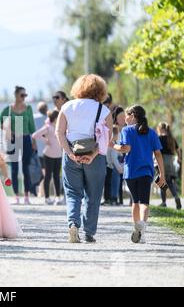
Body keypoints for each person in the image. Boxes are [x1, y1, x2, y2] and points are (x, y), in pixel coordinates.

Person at [56, 74, 113, 243]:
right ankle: (89, 232)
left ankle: (73, 224)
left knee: (73, 193)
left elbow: (59, 132)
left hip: (71, 153)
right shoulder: (104, 110)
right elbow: (107, 138)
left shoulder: (67, 106)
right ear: (100, 90)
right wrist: (93, 154)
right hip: (95, 156)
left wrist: (69, 153)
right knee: (93, 195)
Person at [113, 105, 166, 243]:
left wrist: (112, 145)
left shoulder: (126, 130)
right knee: (144, 201)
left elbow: (126, 148)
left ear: (133, 116)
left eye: (127, 115)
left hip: (131, 171)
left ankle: (137, 227)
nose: (125, 118)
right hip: (146, 172)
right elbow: (158, 154)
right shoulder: (152, 133)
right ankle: (142, 227)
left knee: (135, 201)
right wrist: (162, 174)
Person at [0, 86, 36, 205]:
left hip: (25, 139)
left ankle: (26, 195)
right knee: (14, 169)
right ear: (16, 95)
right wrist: (9, 131)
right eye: (22, 95)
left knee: (26, 168)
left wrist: (34, 142)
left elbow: (32, 127)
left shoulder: (28, 108)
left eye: (25, 95)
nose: (24, 97)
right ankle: (16, 196)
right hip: (13, 140)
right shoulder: (8, 109)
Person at [32, 110, 63, 205]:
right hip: (48, 155)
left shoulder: (60, 127)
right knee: (48, 176)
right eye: (59, 117)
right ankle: (47, 198)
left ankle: (57, 197)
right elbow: (35, 135)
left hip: (58, 155)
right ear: (55, 118)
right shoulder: (48, 127)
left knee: (57, 176)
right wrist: (45, 140)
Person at [156, 122, 182, 210]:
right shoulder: (171, 138)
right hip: (170, 160)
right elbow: (178, 149)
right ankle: (176, 197)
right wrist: (179, 158)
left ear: (160, 129)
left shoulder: (159, 138)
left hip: (162, 160)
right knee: (170, 181)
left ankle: (163, 202)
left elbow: (156, 151)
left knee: (162, 181)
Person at [112, 106, 127, 205]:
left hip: (126, 156)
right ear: (116, 118)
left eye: (123, 117)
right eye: (120, 117)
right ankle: (114, 197)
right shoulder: (113, 129)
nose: (122, 119)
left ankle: (125, 199)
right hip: (116, 156)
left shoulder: (127, 129)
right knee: (116, 175)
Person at [33, 101, 48, 197]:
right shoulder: (49, 119)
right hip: (47, 150)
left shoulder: (33, 117)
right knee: (46, 172)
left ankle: (37, 191)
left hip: (35, 149)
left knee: (35, 171)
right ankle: (42, 192)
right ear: (46, 109)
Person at [106, 126, 123, 206]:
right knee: (115, 182)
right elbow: (113, 157)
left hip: (111, 165)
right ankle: (114, 198)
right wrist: (119, 168)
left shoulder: (111, 143)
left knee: (113, 182)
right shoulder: (113, 144)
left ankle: (112, 198)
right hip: (114, 165)